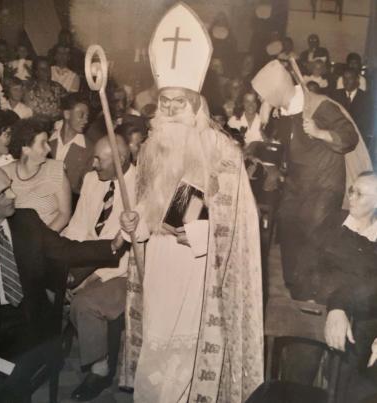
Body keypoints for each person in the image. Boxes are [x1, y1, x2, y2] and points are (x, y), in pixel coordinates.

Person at [119, 4, 263, 403]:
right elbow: (145, 209)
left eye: (178, 102)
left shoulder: (220, 151)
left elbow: (230, 222)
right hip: (159, 267)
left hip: (198, 270)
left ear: (197, 104)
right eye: (163, 103)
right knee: (156, 348)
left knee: (185, 355)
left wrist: (187, 227)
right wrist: (133, 224)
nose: (168, 111)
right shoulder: (152, 147)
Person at [0, 164, 135, 402]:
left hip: (26, 322)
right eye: (1, 193)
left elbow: (66, 250)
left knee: (14, 388)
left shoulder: (27, 220)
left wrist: (114, 244)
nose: (13, 195)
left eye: (10, 186)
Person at [251, 60, 369, 386]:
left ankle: (316, 320)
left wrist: (319, 131)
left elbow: (347, 138)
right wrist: (263, 115)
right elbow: (271, 139)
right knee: (292, 262)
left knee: (313, 263)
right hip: (297, 193)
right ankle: (302, 307)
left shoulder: (322, 106)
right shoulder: (285, 111)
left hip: (324, 194)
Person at [63, 135, 136, 401]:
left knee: (84, 304)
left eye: (99, 159)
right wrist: (66, 264)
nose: (92, 164)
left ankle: (101, 368)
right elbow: (78, 225)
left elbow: (127, 253)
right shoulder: (94, 180)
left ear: (122, 161)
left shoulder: (139, 188)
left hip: (122, 271)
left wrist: (91, 277)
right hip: (88, 258)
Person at [323, 172, 377, 403]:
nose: (351, 197)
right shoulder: (332, 223)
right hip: (320, 307)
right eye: (351, 191)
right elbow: (312, 270)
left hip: (364, 322)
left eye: (359, 193)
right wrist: (337, 306)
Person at [3, 118, 71, 232]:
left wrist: (42, 240)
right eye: (43, 143)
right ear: (25, 149)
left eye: (47, 142)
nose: (49, 148)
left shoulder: (56, 170)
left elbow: (64, 215)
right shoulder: (4, 174)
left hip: (51, 238)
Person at [49, 93, 92, 208]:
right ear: (67, 114)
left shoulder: (89, 149)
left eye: (87, 116)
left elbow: (85, 192)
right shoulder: (47, 141)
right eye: (81, 115)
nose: (86, 120)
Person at [332, 68, 372, 147]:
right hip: (338, 137)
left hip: (359, 139)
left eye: (350, 78)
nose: (346, 82)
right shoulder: (335, 95)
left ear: (357, 80)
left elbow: (366, 123)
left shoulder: (367, 99)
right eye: (344, 78)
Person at [24, 57, 67, 123]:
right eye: (42, 69)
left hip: (55, 126)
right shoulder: (28, 88)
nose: (46, 72)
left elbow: (67, 107)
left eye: (48, 68)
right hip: (35, 127)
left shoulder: (58, 87)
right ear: (36, 72)